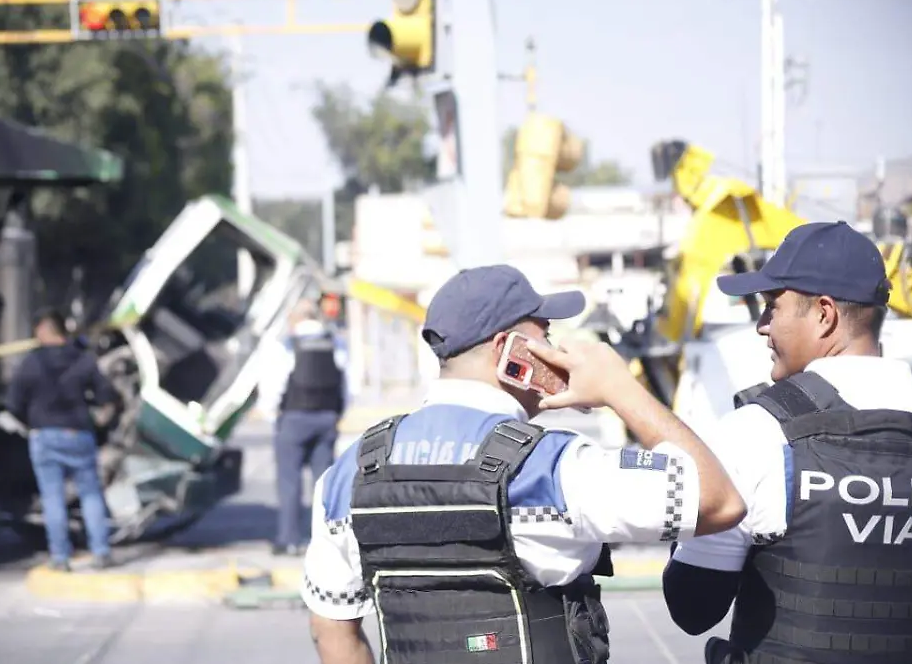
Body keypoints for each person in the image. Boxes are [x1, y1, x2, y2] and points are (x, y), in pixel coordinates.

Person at [300, 264, 746, 664]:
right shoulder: (553, 467)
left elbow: (332, 630)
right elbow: (718, 501)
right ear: (507, 349)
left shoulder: (351, 472)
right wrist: (618, 388)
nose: (555, 347)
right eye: (546, 334)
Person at [661, 221, 912, 664]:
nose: (762, 326)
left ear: (824, 314)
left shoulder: (755, 433)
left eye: (771, 307)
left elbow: (693, 608)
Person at [6, 308, 118, 571]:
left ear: (41, 332)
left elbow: (13, 403)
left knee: (52, 498)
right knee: (90, 494)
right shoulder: (84, 360)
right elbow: (107, 396)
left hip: (44, 436)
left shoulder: (31, 363)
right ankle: (101, 552)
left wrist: (32, 423)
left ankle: (60, 558)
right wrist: (100, 420)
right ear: (63, 332)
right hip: (79, 434)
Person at [257, 297, 350, 556]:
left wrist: (272, 414)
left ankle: (289, 540)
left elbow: (274, 386)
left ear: (295, 318)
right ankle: (328, 542)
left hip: (294, 418)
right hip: (326, 418)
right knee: (325, 483)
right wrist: (337, 413)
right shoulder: (335, 342)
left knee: (289, 482)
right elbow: (347, 386)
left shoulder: (286, 345)